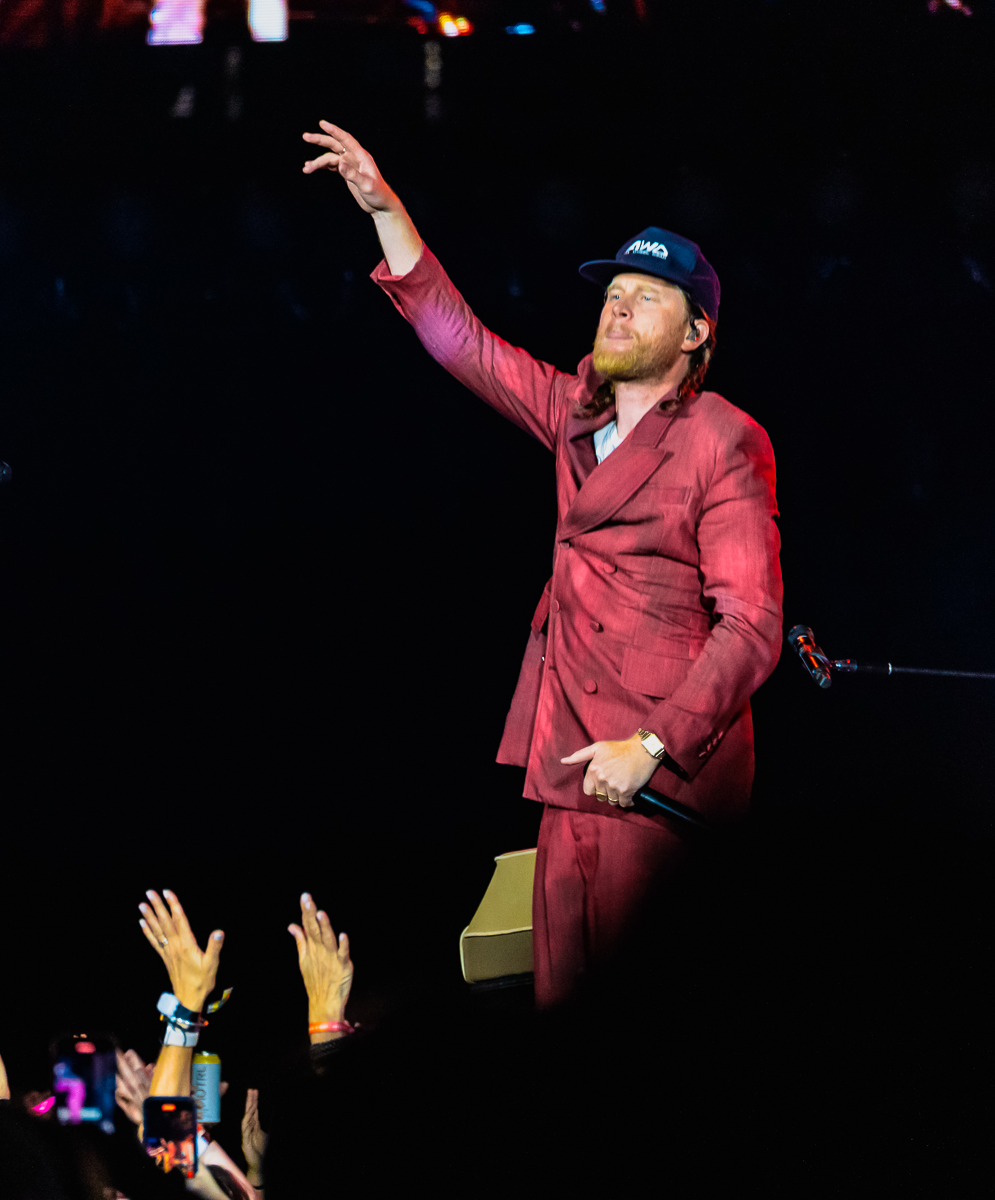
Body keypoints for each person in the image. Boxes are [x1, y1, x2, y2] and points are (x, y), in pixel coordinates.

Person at [302, 121, 784, 1006]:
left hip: (657, 781)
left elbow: (753, 626)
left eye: (646, 296)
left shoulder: (724, 438)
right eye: (613, 293)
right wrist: (386, 209)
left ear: (695, 331)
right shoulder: (572, 412)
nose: (618, 307)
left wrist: (653, 745)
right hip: (571, 772)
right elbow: (464, 344)